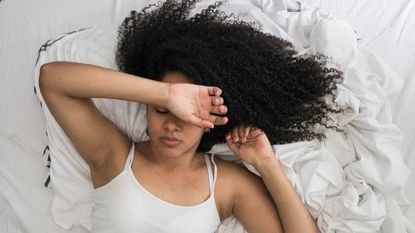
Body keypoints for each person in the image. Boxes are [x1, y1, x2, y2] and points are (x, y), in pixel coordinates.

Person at [39, 0, 343, 232]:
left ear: (212, 118)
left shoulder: (227, 183)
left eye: (191, 114)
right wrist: (167, 94)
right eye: (162, 111)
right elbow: (53, 80)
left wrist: (268, 165)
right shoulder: (114, 157)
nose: (172, 124)